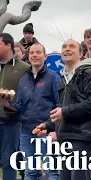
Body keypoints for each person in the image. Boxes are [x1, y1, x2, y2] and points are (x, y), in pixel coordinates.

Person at [34, 39, 91, 180]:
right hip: (66, 138)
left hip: (84, 137)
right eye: (64, 47)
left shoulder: (89, 73)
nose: (67, 49)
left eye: (72, 46)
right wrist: (48, 125)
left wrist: (65, 112)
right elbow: (63, 108)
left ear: (81, 53)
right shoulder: (63, 79)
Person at [1, 43, 60, 180]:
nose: (35, 55)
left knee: (52, 171)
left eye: (38, 52)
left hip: (46, 131)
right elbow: (19, 106)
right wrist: (5, 103)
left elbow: (59, 104)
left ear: (45, 56)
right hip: (26, 132)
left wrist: (54, 129)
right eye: (32, 53)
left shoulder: (53, 77)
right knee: (30, 172)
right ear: (28, 56)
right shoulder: (23, 80)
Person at [0, 33, 30, 180]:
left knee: (9, 161)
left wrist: (11, 103)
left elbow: (29, 95)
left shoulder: (24, 68)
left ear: (8, 45)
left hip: (11, 121)